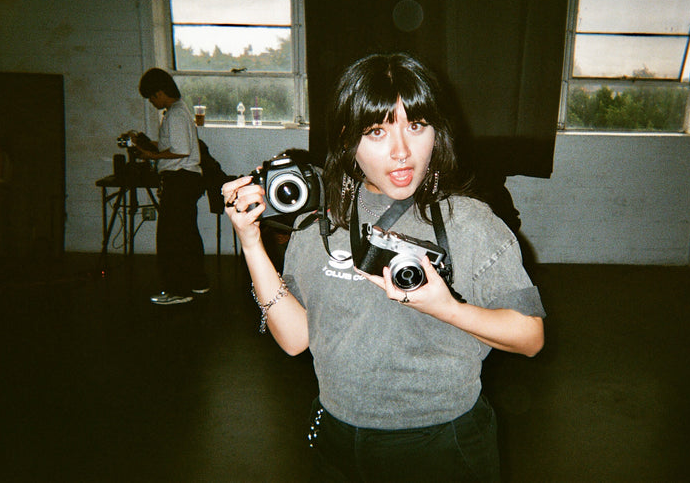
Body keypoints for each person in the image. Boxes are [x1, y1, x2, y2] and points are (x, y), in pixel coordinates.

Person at [222, 53, 545, 482]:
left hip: (440, 446)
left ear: (436, 132)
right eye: (377, 131)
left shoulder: (470, 224)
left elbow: (530, 338)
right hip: (338, 440)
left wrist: (443, 306)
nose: (402, 152)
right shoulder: (322, 224)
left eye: (416, 126)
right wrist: (250, 242)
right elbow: (296, 339)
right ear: (347, 139)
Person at [135, 68, 209, 305]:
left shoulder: (175, 114)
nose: (152, 102)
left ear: (160, 92)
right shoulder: (179, 111)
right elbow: (174, 145)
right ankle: (198, 283)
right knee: (186, 235)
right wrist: (148, 144)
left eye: (152, 97)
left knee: (171, 238)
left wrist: (150, 156)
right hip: (188, 179)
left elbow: (180, 151)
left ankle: (178, 290)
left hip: (180, 179)